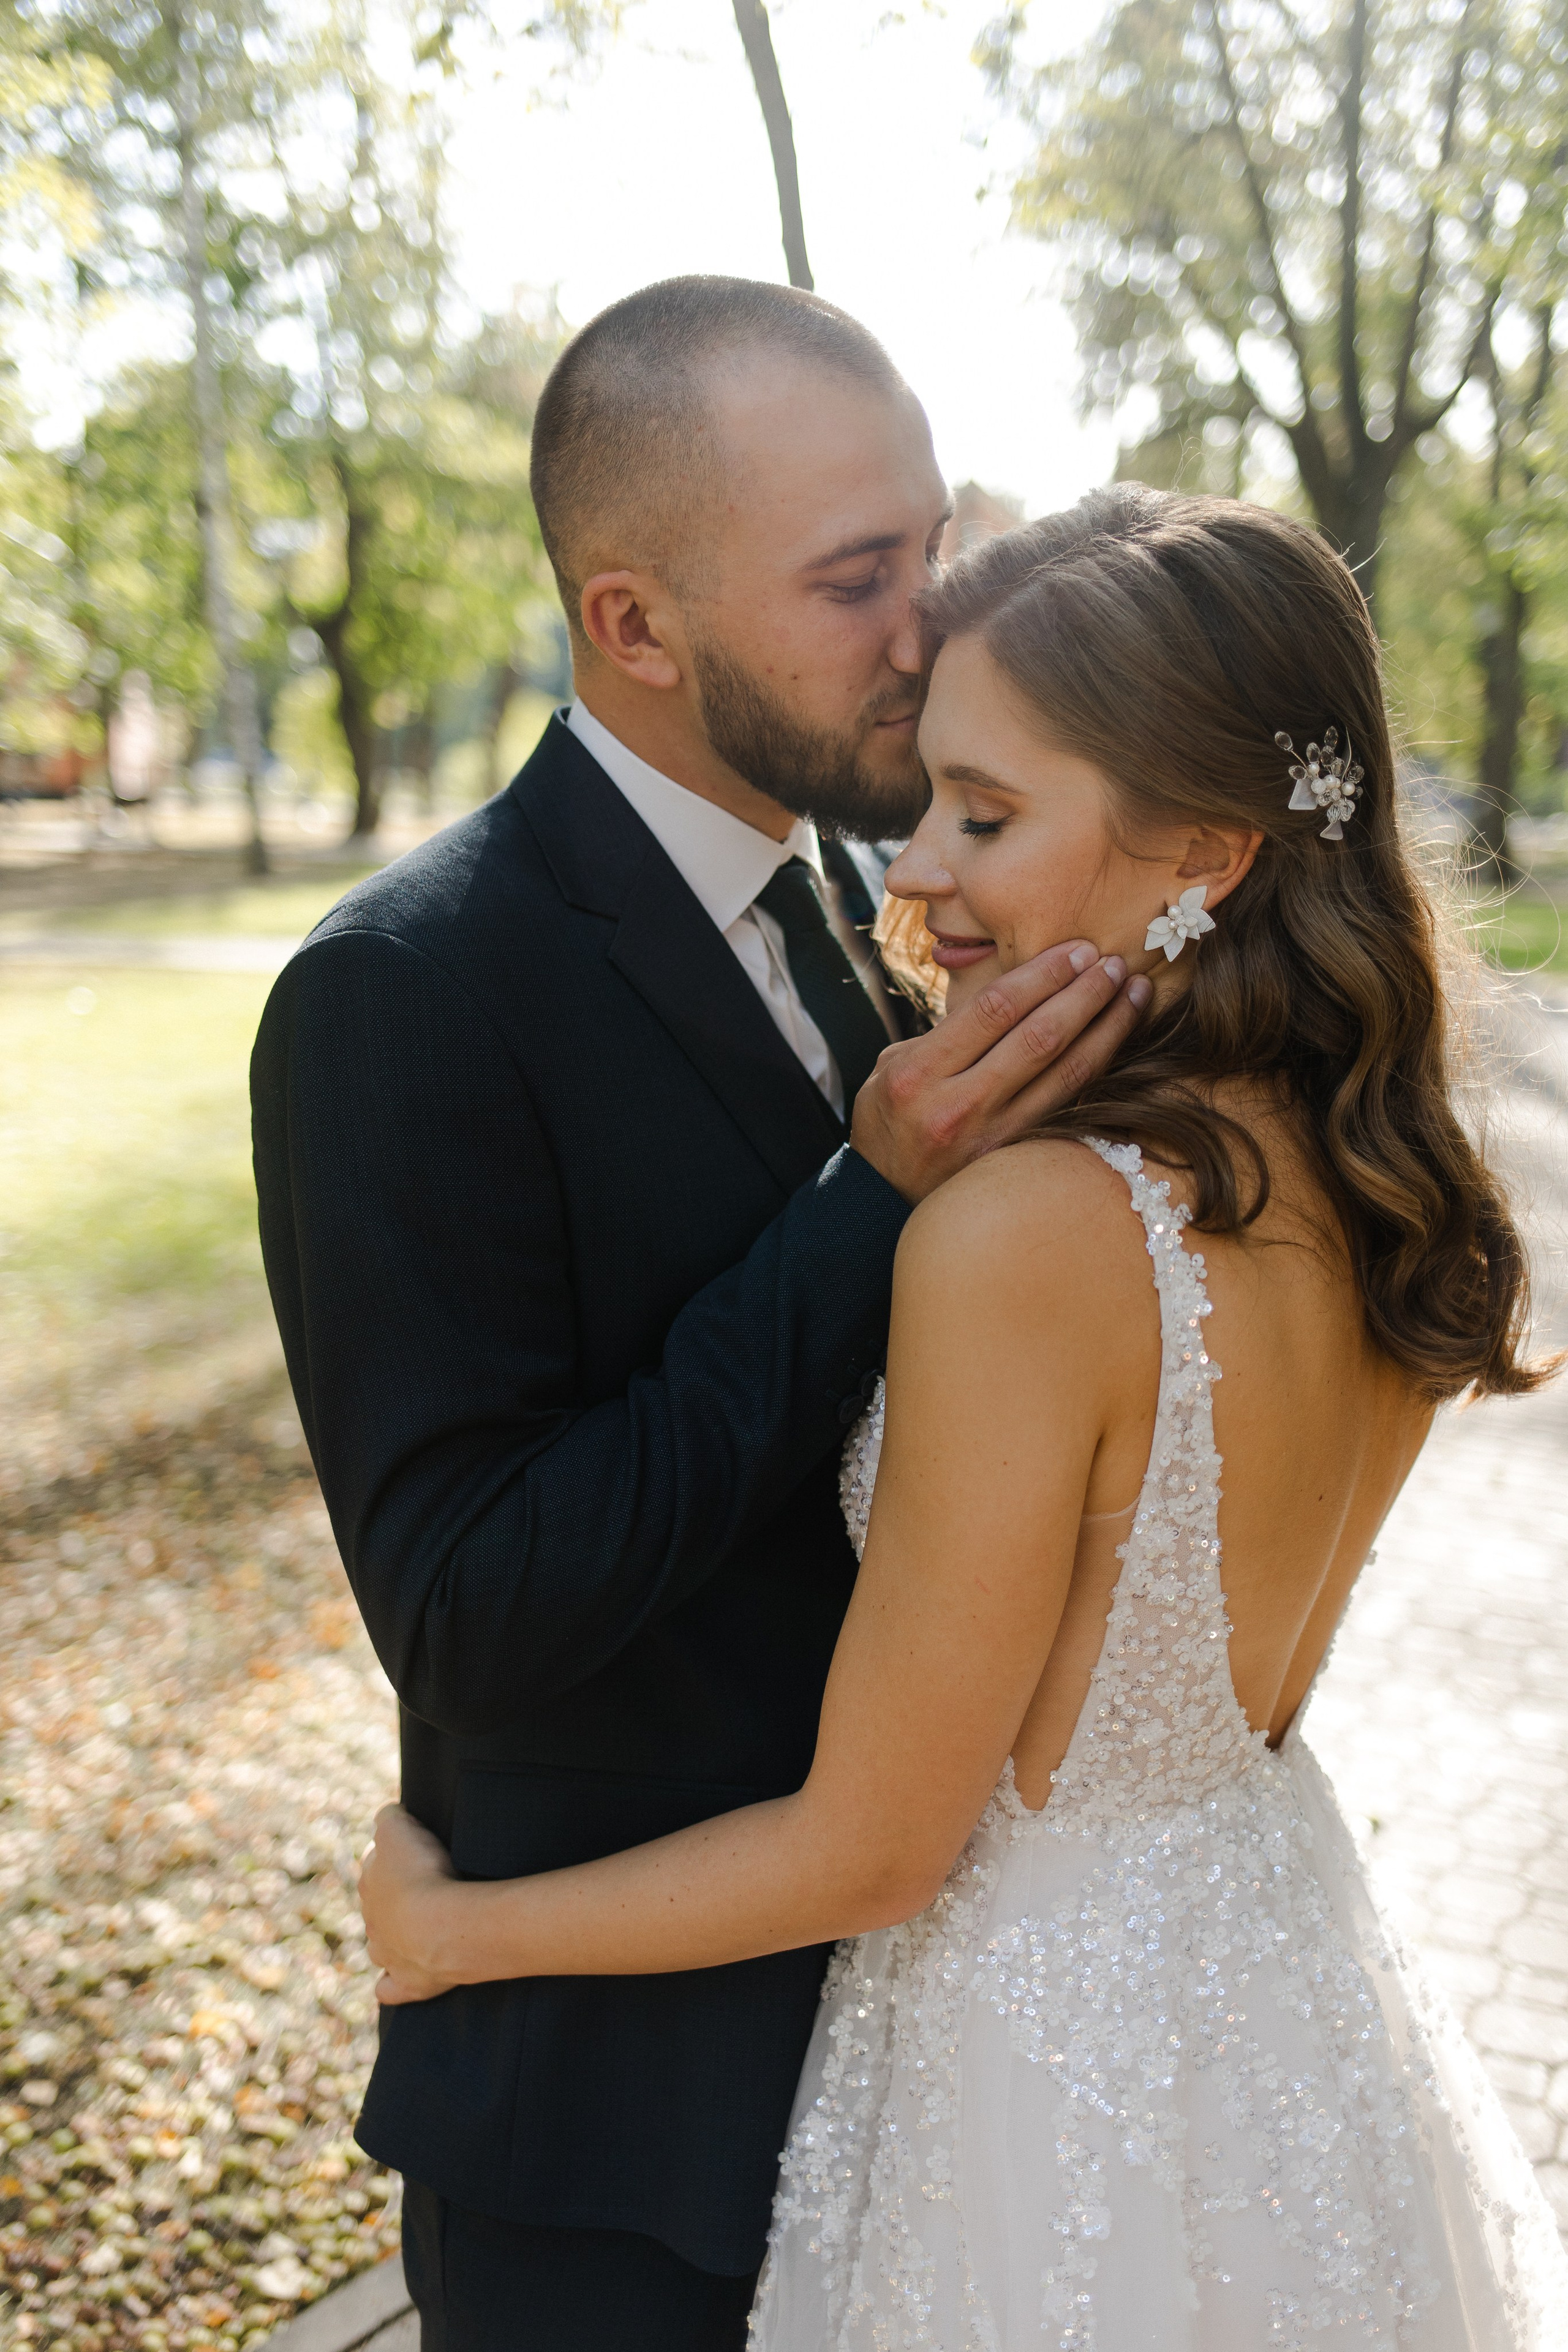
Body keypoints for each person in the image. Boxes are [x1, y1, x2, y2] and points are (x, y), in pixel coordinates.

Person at [360, 487, 1568, 2348]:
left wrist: (464, 1935)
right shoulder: (1383, 1170)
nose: (909, 873)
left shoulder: (1027, 1234)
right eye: (929, 799)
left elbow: (877, 1848)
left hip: (1039, 2081)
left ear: (1206, 850)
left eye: (985, 817)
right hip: (1283, 2007)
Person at [250, 277, 1146, 2352]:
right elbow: (470, 1606)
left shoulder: (873, 899)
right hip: (618, 2141)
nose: (935, 624)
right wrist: (868, 1199)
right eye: (861, 578)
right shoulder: (404, 996)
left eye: (937, 546)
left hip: (932, 2075)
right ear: (634, 625)